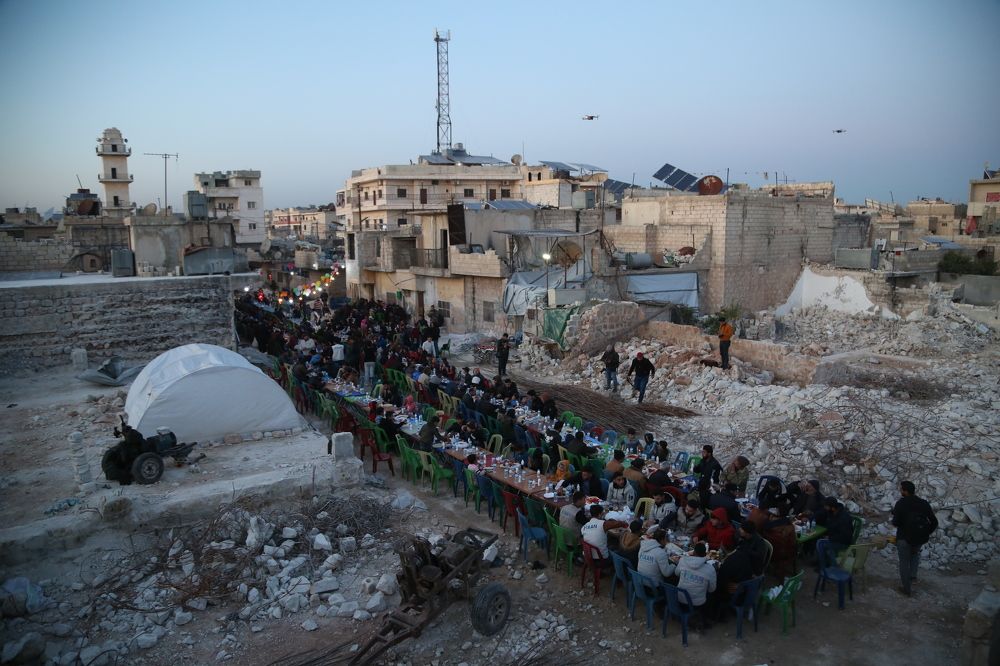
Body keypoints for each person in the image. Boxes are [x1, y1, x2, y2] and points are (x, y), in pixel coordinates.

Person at [891, 480, 938, 596]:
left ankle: (906, 588)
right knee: (914, 555)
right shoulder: (923, 503)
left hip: (904, 538)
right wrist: (926, 532)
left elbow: (896, 522)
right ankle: (913, 577)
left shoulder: (901, 503)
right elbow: (934, 522)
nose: (900, 491)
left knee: (904, 561)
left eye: (901, 489)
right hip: (919, 538)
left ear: (905, 491)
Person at [677, 542, 717, 623]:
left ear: (694, 552)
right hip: (697, 604)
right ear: (705, 554)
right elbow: (711, 590)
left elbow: (676, 573)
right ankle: (707, 619)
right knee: (712, 595)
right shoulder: (710, 569)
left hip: (680, 599)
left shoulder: (683, 560)